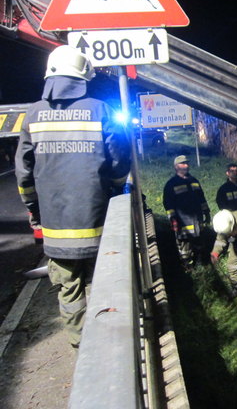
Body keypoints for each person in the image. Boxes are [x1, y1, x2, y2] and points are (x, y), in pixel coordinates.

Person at [14, 45, 131, 348]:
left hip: (56, 230)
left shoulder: (33, 115)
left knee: (69, 290)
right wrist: (116, 189)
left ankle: (82, 346)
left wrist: (32, 206)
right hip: (98, 226)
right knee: (103, 285)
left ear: (50, 75)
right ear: (84, 76)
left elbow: (24, 174)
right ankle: (110, 342)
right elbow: (119, 161)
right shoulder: (100, 110)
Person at [163, 155, 212, 268]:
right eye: (183, 163)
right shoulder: (171, 184)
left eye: (187, 163)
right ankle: (187, 268)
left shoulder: (194, 181)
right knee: (185, 247)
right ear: (176, 166)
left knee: (199, 244)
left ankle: (199, 266)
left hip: (196, 220)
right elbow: (168, 204)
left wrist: (207, 212)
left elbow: (201, 198)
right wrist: (173, 219)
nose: (186, 165)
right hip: (182, 221)